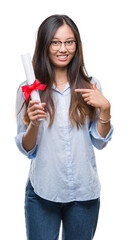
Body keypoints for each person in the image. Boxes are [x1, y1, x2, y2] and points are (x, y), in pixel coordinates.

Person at [15, 14, 113, 240]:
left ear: (76, 45)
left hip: (83, 193)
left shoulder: (91, 85)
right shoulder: (28, 90)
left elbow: (99, 141)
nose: (63, 48)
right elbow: (27, 149)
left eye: (69, 42)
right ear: (45, 45)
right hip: (42, 194)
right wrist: (33, 124)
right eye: (56, 42)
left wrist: (105, 111)